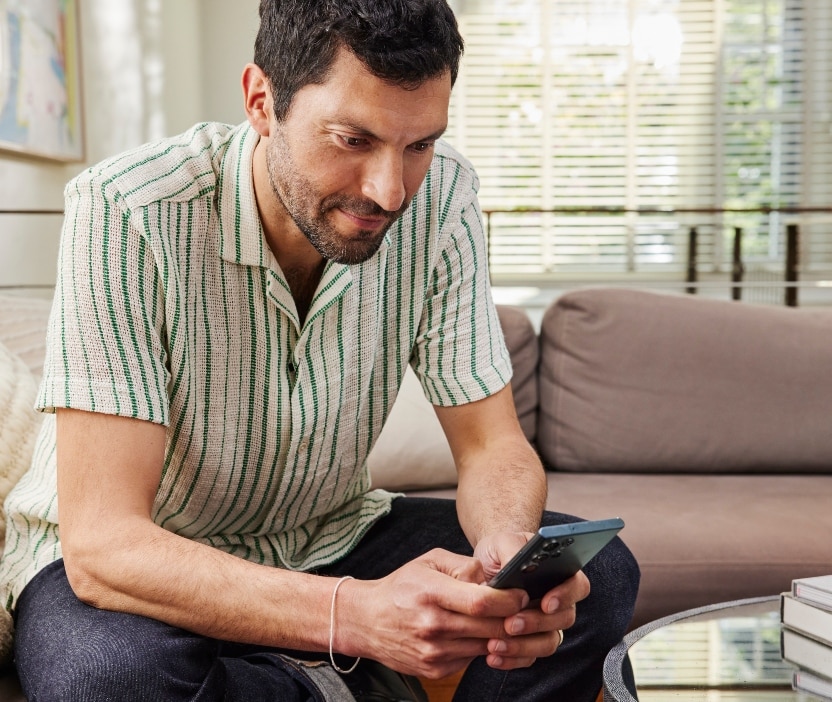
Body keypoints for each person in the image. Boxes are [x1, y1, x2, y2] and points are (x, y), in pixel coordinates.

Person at [0, 1, 640, 700]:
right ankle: (333, 683)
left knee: (591, 577)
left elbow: (491, 447)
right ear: (261, 101)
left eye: (420, 144)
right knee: (106, 678)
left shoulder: (444, 197)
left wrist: (504, 554)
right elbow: (106, 547)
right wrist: (352, 618)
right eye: (352, 139)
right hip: (147, 562)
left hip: (327, 536)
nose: (390, 190)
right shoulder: (127, 210)